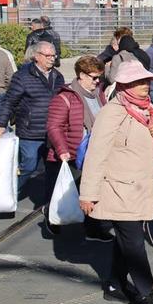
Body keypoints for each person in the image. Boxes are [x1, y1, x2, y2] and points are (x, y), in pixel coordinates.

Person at [79, 59, 153, 304]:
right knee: (133, 242)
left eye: (146, 81)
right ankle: (145, 293)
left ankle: (113, 284)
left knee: (125, 241)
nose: (144, 86)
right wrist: (88, 194)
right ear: (124, 85)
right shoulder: (113, 112)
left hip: (139, 187)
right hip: (118, 189)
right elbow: (96, 154)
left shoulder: (147, 109)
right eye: (137, 82)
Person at [0, 40, 65, 199]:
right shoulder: (22, 76)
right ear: (36, 56)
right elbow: (9, 101)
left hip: (52, 131)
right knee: (29, 166)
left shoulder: (57, 76)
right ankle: (9, 192)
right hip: (30, 132)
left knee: (53, 169)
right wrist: (0, 125)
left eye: (54, 55)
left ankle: (50, 202)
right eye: (48, 55)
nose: (52, 59)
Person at [47, 55, 107, 204]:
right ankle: (52, 221)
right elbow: (54, 126)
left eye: (100, 77)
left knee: (91, 198)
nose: (98, 81)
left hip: (95, 153)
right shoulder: (65, 97)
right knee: (68, 200)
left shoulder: (99, 94)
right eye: (94, 78)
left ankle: (92, 225)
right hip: (73, 156)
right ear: (81, 75)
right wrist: (62, 150)